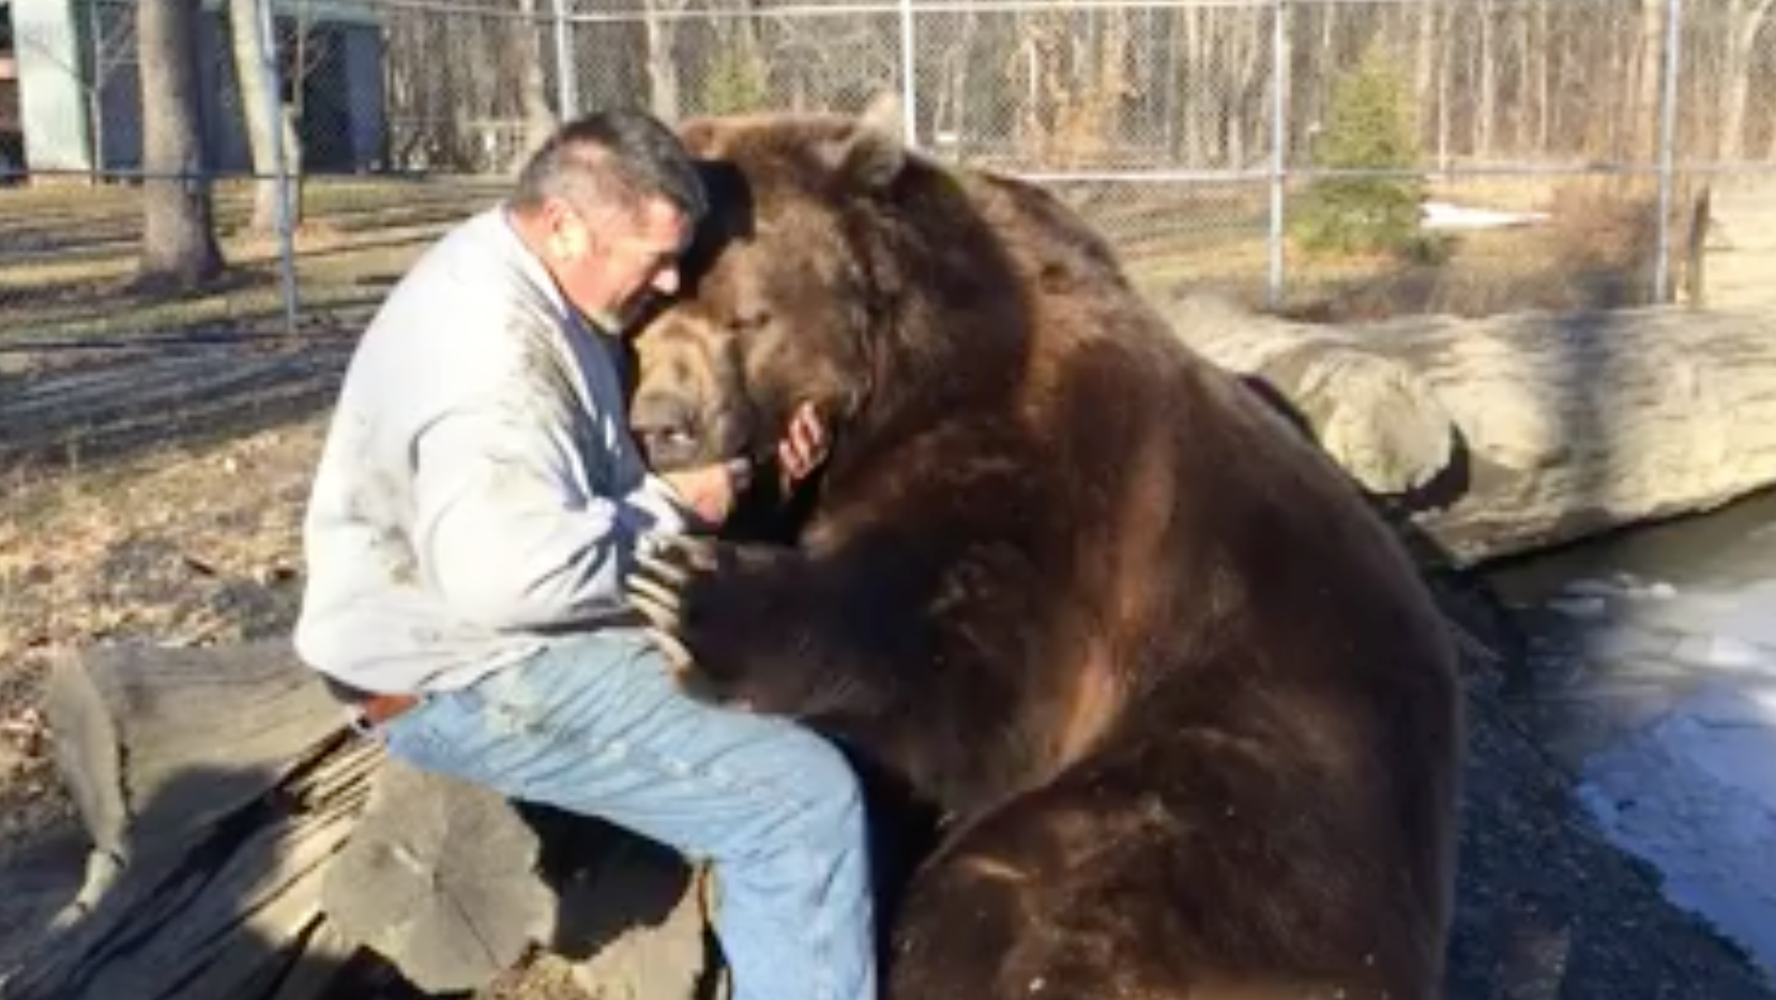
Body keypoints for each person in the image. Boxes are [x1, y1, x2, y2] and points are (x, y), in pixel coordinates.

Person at [292, 109, 876, 1000]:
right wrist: (673, 509)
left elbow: (584, 492)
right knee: (798, 803)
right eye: (656, 256)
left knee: (808, 676)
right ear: (564, 224)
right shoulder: (491, 350)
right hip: (467, 672)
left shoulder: (538, 282)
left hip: (497, 636)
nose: (674, 277)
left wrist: (754, 471)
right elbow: (508, 577)